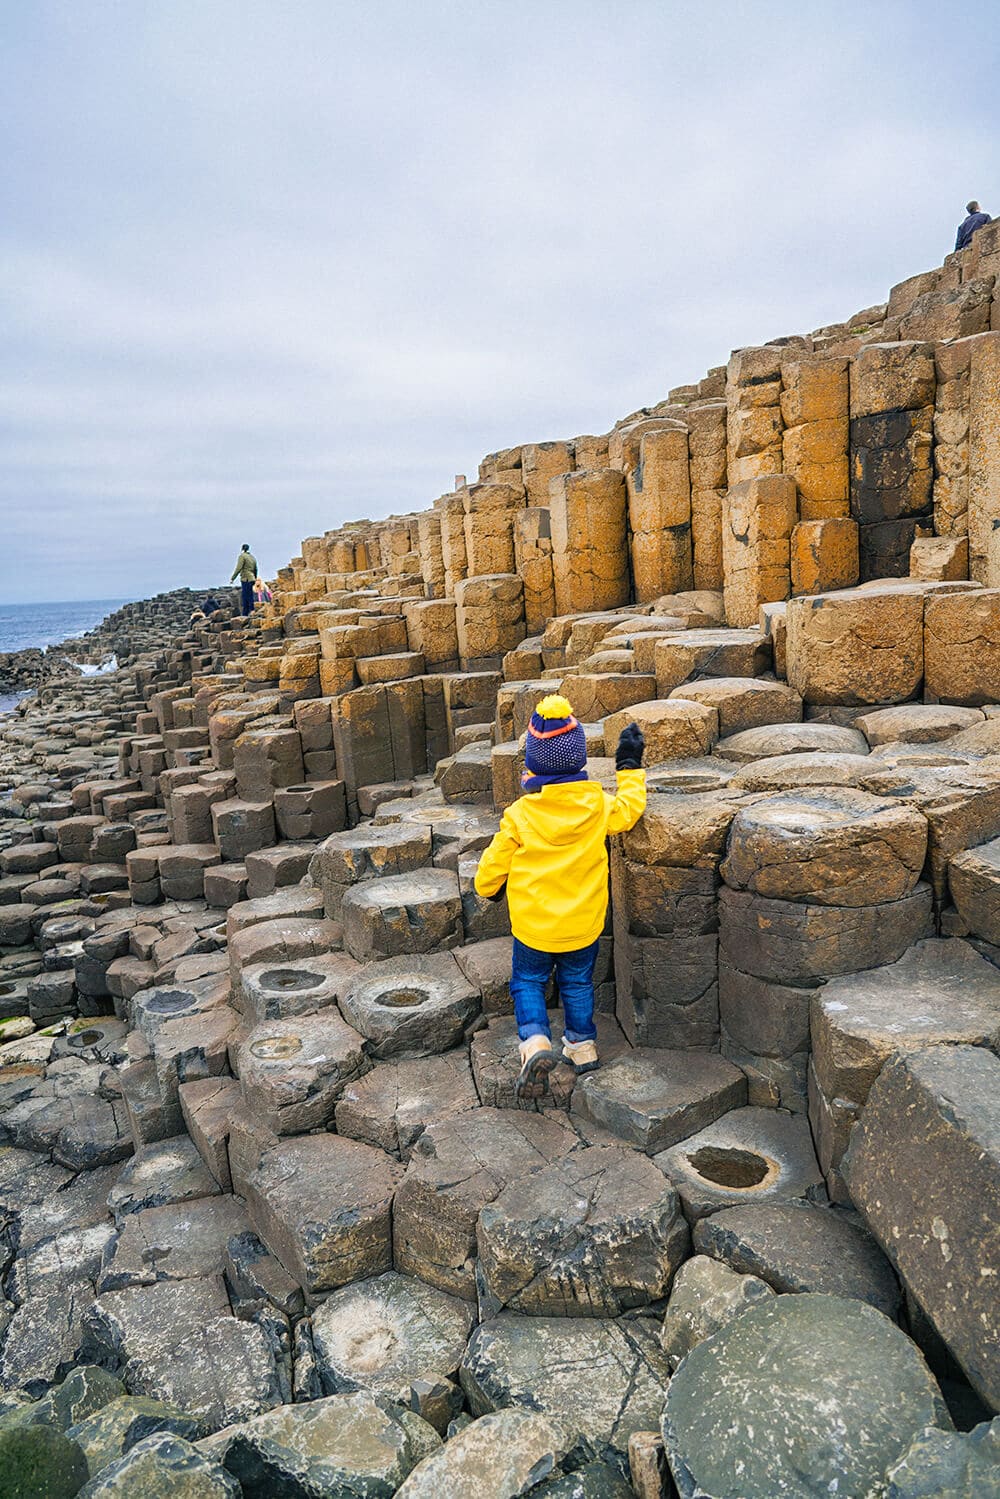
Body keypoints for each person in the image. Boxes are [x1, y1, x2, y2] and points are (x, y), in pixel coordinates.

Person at [474, 694, 646, 1096]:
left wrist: (487, 889)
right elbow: (629, 809)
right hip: (583, 924)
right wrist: (628, 766)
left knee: (528, 981)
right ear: (578, 762)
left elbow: (490, 869)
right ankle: (583, 1047)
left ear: (533, 764)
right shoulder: (597, 806)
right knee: (577, 982)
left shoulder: (521, 814)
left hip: (534, 926)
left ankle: (535, 1041)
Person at [230, 544, 258, 616]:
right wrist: (255, 577)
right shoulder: (252, 557)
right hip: (252, 578)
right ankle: (252, 610)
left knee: (245, 596)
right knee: (250, 595)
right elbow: (256, 569)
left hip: (246, 578)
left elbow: (238, 568)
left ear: (242, 549)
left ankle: (245, 613)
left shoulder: (242, 556)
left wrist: (233, 578)